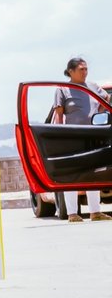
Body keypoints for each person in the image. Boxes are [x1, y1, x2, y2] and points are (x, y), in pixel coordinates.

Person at [54, 56, 108, 222]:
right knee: (72, 175)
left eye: (86, 69)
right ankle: (72, 213)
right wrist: (61, 137)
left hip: (92, 136)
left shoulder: (92, 86)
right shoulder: (63, 89)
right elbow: (59, 115)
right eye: (81, 69)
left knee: (93, 174)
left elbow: (105, 99)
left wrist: (97, 111)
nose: (85, 72)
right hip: (72, 136)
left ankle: (95, 212)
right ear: (71, 71)